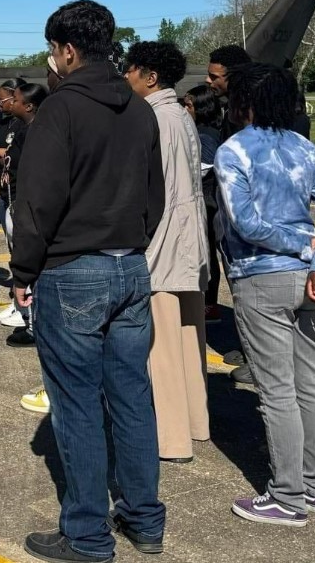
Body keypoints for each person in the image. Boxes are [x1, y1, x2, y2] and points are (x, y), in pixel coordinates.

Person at [10, 0, 165, 563]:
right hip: (131, 266)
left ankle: (87, 533)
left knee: (75, 405)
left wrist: (23, 272)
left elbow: (37, 203)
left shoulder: (61, 109)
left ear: (68, 50)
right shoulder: (140, 109)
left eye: (53, 51)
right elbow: (157, 195)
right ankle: (145, 519)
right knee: (132, 396)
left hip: (72, 270)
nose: (52, 61)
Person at [216, 62, 315, 525]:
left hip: (261, 277)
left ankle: (287, 496)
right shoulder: (304, 147)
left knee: (277, 391)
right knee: (308, 383)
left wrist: (301, 245)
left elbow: (245, 222)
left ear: (243, 101)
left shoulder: (234, 150)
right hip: (310, 278)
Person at [124, 41, 211, 464]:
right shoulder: (181, 115)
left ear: (150, 76)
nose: (127, 77)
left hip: (163, 242)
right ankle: (196, 423)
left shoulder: (155, 118)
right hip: (190, 240)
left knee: (161, 344)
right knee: (189, 337)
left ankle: (171, 439)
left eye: (131, 70)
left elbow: (150, 187)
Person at [0, 81, 49, 347]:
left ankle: (35, 322)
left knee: (29, 261)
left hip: (23, 207)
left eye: (14, 99)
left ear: (29, 105)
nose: (9, 102)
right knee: (18, 255)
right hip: (11, 201)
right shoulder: (19, 128)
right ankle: (26, 315)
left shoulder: (36, 133)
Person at [185, 85, 230, 320]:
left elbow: (205, 167)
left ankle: (209, 303)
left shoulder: (204, 134)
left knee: (209, 253)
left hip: (209, 201)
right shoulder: (210, 130)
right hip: (210, 200)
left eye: (190, 105)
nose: (185, 108)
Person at [207, 45, 311, 137]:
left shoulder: (279, 115)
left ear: (234, 76)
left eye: (214, 77)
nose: (207, 80)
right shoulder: (230, 111)